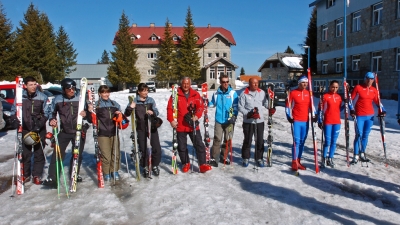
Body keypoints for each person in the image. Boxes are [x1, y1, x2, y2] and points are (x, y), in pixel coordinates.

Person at [42, 78, 90, 187]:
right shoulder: (57, 99)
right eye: (69, 89)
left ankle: (75, 174)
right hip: (64, 131)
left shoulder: (80, 98)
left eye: (73, 88)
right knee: (57, 153)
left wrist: (86, 113)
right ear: (64, 89)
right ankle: (52, 177)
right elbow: (51, 112)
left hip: (79, 130)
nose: (72, 90)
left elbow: (89, 115)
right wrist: (52, 120)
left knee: (77, 154)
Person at [166, 77, 212, 173]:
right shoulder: (175, 95)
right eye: (184, 83)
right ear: (181, 84)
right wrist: (171, 120)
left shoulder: (195, 94)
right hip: (180, 125)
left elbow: (201, 106)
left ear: (190, 84)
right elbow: (170, 108)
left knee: (199, 144)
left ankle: (202, 164)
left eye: (187, 83)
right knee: (182, 146)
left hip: (193, 125)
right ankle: (185, 163)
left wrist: (197, 116)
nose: (186, 85)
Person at [11, 76, 50, 185]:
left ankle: (36, 175)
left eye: (35, 84)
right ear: (25, 86)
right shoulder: (19, 97)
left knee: (39, 153)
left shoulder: (42, 97)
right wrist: (14, 119)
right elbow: (14, 110)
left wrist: (40, 123)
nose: (33, 86)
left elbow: (47, 112)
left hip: (39, 129)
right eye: (31, 85)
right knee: (25, 153)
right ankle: (25, 175)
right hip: (25, 129)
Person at [125, 83, 162, 177]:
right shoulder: (134, 101)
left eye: (147, 90)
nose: (146, 92)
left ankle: (154, 165)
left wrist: (153, 112)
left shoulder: (151, 100)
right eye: (143, 90)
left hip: (152, 128)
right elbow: (127, 113)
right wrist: (131, 107)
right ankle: (145, 166)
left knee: (156, 148)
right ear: (139, 92)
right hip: (141, 129)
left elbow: (156, 111)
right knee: (143, 149)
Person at [87, 85, 123, 181]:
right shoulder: (96, 105)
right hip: (102, 133)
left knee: (116, 153)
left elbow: (121, 116)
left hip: (114, 131)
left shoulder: (115, 104)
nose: (106, 94)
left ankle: (114, 170)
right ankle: (106, 172)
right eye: (103, 92)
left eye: (107, 92)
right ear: (100, 93)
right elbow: (91, 120)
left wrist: (119, 114)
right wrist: (90, 111)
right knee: (106, 155)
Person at [350, 72, 386, 164]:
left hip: (370, 116)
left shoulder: (374, 90)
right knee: (358, 135)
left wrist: (383, 110)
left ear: (374, 80)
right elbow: (350, 100)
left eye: (371, 79)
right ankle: (355, 156)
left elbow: (378, 102)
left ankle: (362, 153)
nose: (369, 81)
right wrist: (351, 110)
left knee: (365, 136)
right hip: (359, 115)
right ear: (365, 78)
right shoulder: (358, 87)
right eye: (368, 78)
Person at [285, 75, 317, 171]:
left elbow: (312, 107)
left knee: (302, 142)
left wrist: (314, 115)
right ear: (299, 83)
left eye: (306, 83)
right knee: (296, 142)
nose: (305, 84)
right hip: (296, 121)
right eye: (303, 82)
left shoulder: (309, 94)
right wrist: (289, 116)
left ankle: (299, 160)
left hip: (306, 121)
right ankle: (294, 161)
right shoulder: (293, 93)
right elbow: (287, 106)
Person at [238, 78, 271, 167]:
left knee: (260, 140)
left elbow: (265, 103)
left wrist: (270, 107)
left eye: (257, 83)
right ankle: (245, 157)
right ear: (249, 84)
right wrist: (248, 114)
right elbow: (240, 107)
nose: (256, 85)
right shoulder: (244, 93)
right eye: (254, 83)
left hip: (259, 121)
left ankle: (259, 158)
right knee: (248, 140)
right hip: (248, 121)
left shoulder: (262, 93)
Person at [208, 74, 239, 167]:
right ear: (220, 82)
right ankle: (214, 157)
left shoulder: (233, 93)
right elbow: (212, 104)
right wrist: (205, 102)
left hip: (229, 120)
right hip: (219, 120)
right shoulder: (216, 93)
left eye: (227, 82)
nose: (225, 83)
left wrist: (234, 116)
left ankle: (224, 156)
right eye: (223, 82)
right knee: (217, 139)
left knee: (227, 140)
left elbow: (235, 106)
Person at [317, 80, 342, 168]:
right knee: (327, 142)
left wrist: (345, 103)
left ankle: (330, 158)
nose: (334, 89)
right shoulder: (325, 96)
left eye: (336, 87)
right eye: (333, 87)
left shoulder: (339, 97)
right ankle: (323, 158)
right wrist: (319, 120)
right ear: (329, 86)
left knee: (333, 142)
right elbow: (320, 110)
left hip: (337, 122)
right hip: (328, 121)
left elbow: (339, 110)